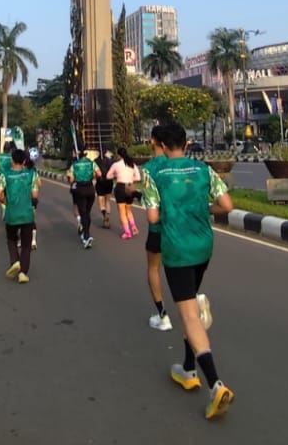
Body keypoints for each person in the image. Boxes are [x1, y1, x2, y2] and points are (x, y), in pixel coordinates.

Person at [139, 122, 235, 420]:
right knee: (189, 304)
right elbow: (227, 205)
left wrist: (167, 217)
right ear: (185, 143)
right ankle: (187, 368)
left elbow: (153, 216)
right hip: (204, 246)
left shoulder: (154, 173)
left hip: (177, 249)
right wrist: (203, 210)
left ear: (163, 146)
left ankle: (215, 384)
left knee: (190, 315)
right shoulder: (204, 170)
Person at [140, 125, 172, 332]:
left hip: (158, 230)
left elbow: (151, 210)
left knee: (154, 268)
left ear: (153, 141)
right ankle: (193, 302)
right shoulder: (180, 165)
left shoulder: (149, 169)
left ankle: (163, 315)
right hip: (183, 228)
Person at [0, 148, 40, 283]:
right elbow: (34, 195)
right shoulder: (31, 174)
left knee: (11, 239)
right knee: (26, 245)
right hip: (27, 214)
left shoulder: (5, 175)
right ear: (25, 161)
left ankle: (15, 261)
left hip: (11, 213)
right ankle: (23, 273)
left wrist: (5, 201)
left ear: (12, 161)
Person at [67, 149, 101, 249]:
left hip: (80, 190)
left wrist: (71, 177)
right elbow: (99, 174)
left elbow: (72, 179)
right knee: (87, 212)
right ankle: (85, 232)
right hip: (90, 189)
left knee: (83, 213)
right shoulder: (92, 163)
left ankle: (86, 236)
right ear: (86, 155)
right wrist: (92, 175)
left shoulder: (74, 164)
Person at [107, 148, 141, 240]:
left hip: (121, 187)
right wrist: (130, 179)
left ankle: (127, 232)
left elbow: (108, 176)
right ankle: (133, 227)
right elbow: (138, 177)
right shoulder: (132, 164)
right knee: (128, 210)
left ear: (119, 155)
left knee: (122, 211)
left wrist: (116, 175)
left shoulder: (116, 164)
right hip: (130, 187)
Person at [94, 149, 115, 229]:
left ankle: (104, 215)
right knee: (108, 201)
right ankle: (107, 216)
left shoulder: (95, 161)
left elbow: (95, 173)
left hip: (100, 182)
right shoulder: (110, 161)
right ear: (106, 152)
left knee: (101, 202)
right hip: (109, 182)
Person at [25, 152, 40, 251]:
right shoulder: (34, 172)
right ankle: (33, 241)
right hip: (32, 199)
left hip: (21, 200)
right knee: (31, 220)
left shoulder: (19, 172)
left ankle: (21, 241)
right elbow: (39, 183)